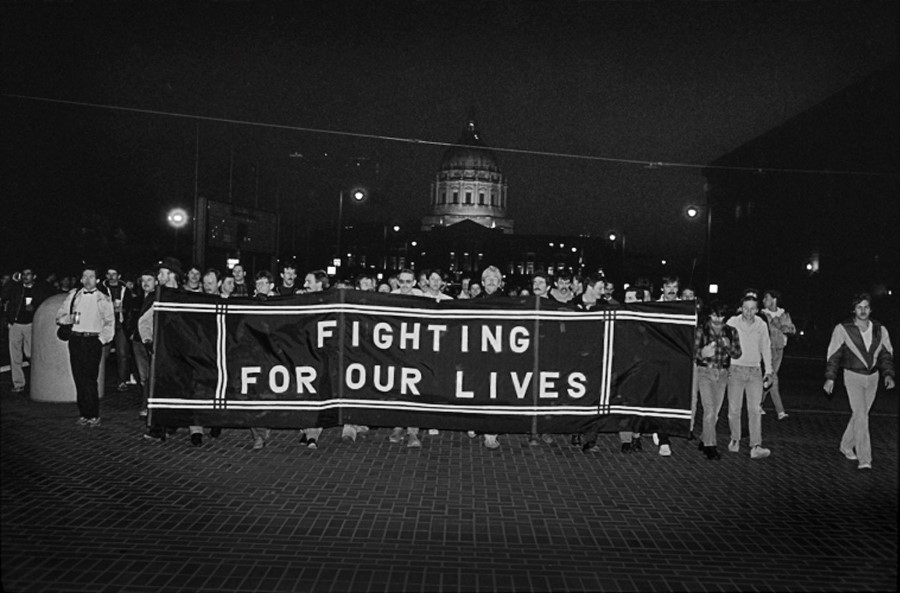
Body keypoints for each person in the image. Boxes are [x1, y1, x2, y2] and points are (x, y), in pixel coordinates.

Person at [824, 293, 895, 470]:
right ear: (853, 309)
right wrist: (830, 378)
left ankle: (846, 445)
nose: (863, 310)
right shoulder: (843, 328)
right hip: (853, 376)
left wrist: (888, 375)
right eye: (859, 307)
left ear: (870, 309)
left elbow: (886, 354)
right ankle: (865, 458)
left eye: (866, 307)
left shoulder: (880, 329)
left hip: (873, 378)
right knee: (862, 416)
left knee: (859, 415)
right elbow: (834, 355)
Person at [56, 265, 115, 427]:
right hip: (76, 340)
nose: (88, 280)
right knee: (79, 378)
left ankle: (93, 414)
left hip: (92, 341)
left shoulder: (103, 298)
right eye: (85, 277)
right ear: (81, 279)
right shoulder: (74, 295)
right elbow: (60, 316)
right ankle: (83, 413)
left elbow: (110, 323)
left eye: (91, 277)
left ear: (97, 280)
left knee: (90, 379)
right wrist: (71, 319)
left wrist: (101, 341)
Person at [726, 293, 774, 459]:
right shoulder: (732, 322)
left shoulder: (761, 324)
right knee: (734, 409)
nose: (748, 312)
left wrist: (769, 371)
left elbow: (766, 347)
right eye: (746, 308)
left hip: (755, 371)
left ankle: (756, 445)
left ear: (757, 310)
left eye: (752, 309)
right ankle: (735, 439)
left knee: (755, 409)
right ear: (741, 308)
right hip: (735, 369)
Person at [694, 300, 742, 460]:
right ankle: (710, 446)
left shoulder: (731, 331)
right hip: (705, 371)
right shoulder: (701, 330)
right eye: (715, 315)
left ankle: (704, 438)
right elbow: (692, 352)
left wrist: (728, 346)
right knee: (709, 409)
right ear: (710, 314)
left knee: (715, 412)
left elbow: (737, 353)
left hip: (722, 373)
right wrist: (702, 353)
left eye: (721, 316)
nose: (717, 319)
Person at [6, 267, 51, 393]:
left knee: (31, 354)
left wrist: (34, 308)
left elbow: (44, 303)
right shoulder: (16, 288)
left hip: (31, 325)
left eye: (28, 274)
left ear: (34, 276)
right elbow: (4, 295)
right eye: (23, 274)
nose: (25, 276)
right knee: (15, 356)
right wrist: (12, 281)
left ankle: (39, 381)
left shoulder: (39, 289)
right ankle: (18, 384)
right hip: (15, 324)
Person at [99, 265, 136, 391]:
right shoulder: (101, 289)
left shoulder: (126, 289)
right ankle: (99, 380)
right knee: (103, 353)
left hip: (121, 324)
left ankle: (122, 381)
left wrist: (124, 311)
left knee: (123, 353)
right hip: (105, 324)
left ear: (119, 276)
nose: (111, 277)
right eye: (109, 274)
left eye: (114, 274)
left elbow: (131, 308)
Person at [760, 289, 795, 420]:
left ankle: (759, 404)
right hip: (767, 349)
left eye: (767, 298)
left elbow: (792, 328)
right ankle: (780, 411)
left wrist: (785, 328)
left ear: (774, 300)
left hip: (779, 349)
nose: (764, 301)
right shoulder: (762, 314)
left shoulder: (783, 313)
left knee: (769, 377)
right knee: (773, 377)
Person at [130, 270, 157, 418]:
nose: (145, 283)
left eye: (149, 280)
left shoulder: (157, 298)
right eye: (143, 280)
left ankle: (147, 406)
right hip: (137, 341)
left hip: (149, 340)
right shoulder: (138, 298)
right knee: (142, 375)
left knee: (148, 375)